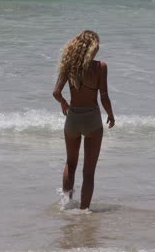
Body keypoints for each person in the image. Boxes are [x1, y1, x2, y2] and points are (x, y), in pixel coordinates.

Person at [53, 30, 115, 210]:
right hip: (92, 120)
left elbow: (56, 92)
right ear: (93, 48)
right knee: (89, 172)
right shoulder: (100, 67)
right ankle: (84, 211)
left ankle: (66, 204)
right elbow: (104, 97)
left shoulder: (69, 66)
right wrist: (110, 115)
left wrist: (64, 103)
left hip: (73, 118)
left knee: (70, 163)